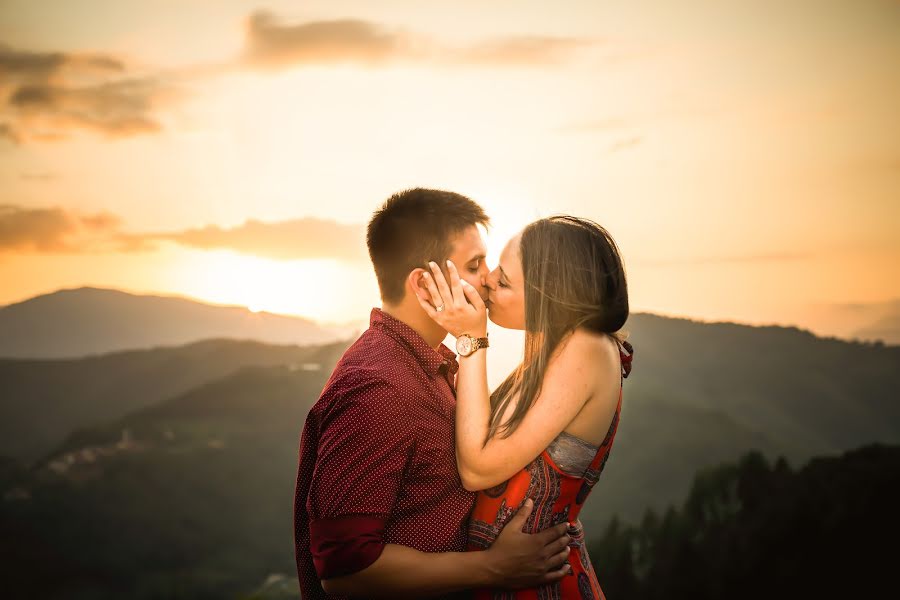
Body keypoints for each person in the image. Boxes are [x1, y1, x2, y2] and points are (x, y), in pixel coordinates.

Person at [293, 188, 573, 599]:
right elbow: (345, 571)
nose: (489, 278)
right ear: (424, 284)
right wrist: (493, 568)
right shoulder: (378, 388)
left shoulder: (431, 365)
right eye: (475, 265)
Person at [416, 215, 634, 599]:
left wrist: (471, 339)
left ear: (548, 295)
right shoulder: (549, 356)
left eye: (503, 280)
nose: (486, 280)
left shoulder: (586, 348)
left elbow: (477, 469)